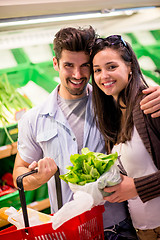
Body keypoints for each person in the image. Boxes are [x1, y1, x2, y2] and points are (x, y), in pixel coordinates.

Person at [13, 27, 160, 240]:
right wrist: (37, 179)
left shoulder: (112, 101)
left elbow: (136, 91)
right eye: (68, 66)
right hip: (70, 231)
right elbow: (19, 171)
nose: (78, 75)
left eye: (85, 66)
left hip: (120, 227)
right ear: (55, 64)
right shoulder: (34, 119)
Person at [91, 34, 160, 240]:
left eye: (111, 67)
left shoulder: (150, 105)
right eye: (97, 70)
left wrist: (137, 187)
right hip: (143, 231)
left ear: (130, 67)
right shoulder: (114, 115)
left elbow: (135, 185)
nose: (104, 76)